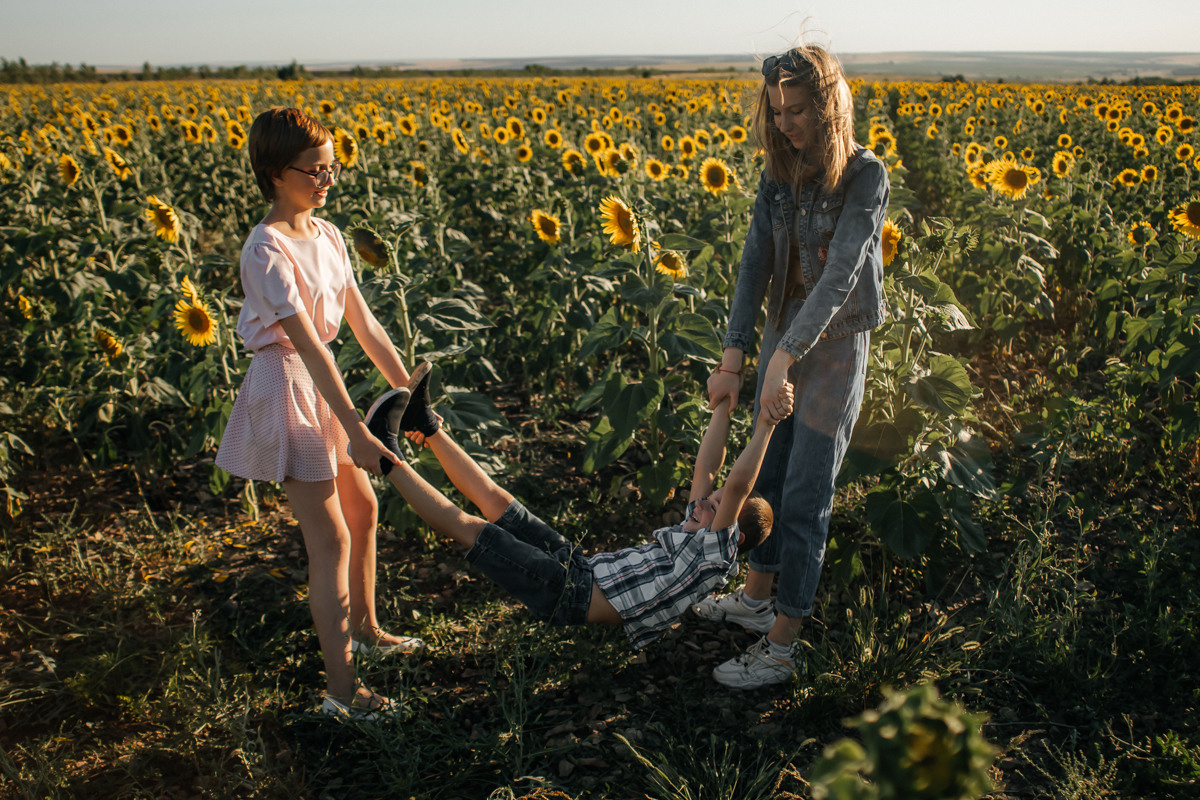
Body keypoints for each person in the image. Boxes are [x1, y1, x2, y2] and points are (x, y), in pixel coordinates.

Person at [215, 107, 426, 720]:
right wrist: (359, 429)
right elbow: (307, 345)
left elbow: (362, 322)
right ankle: (343, 691)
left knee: (364, 507)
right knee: (329, 536)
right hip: (287, 386)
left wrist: (409, 389)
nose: (328, 179)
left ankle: (367, 630)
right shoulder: (267, 249)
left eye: (332, 167)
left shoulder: (329, 235)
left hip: (321, 382)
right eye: (315, 170)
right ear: (276, 174)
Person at [695, 44, 889, 689]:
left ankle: (784, 641)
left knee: (806, 490)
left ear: (831, 107)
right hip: (782, 332)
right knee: (766, 477)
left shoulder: (864, 175)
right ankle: (756, 598)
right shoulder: (778, 172)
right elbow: (755, 265)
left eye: (797, 110)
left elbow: (841, 274)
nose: (784, 123)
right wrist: (734, 357)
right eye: (775, 111)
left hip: (831, 346)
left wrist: (782, 355)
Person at [363, 369, 794, 655]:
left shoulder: (714, 554)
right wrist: (722, 404)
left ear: (733, 534)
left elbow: (737, 484)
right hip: (581, 565)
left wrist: (766, 425)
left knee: (474, 529)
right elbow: (709, 467)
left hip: (571, 594)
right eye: (710, 499)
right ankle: (425, 423)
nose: (703, 502)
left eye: (716, 507)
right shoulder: (694, 530)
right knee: (498, 501)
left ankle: (382, 454)